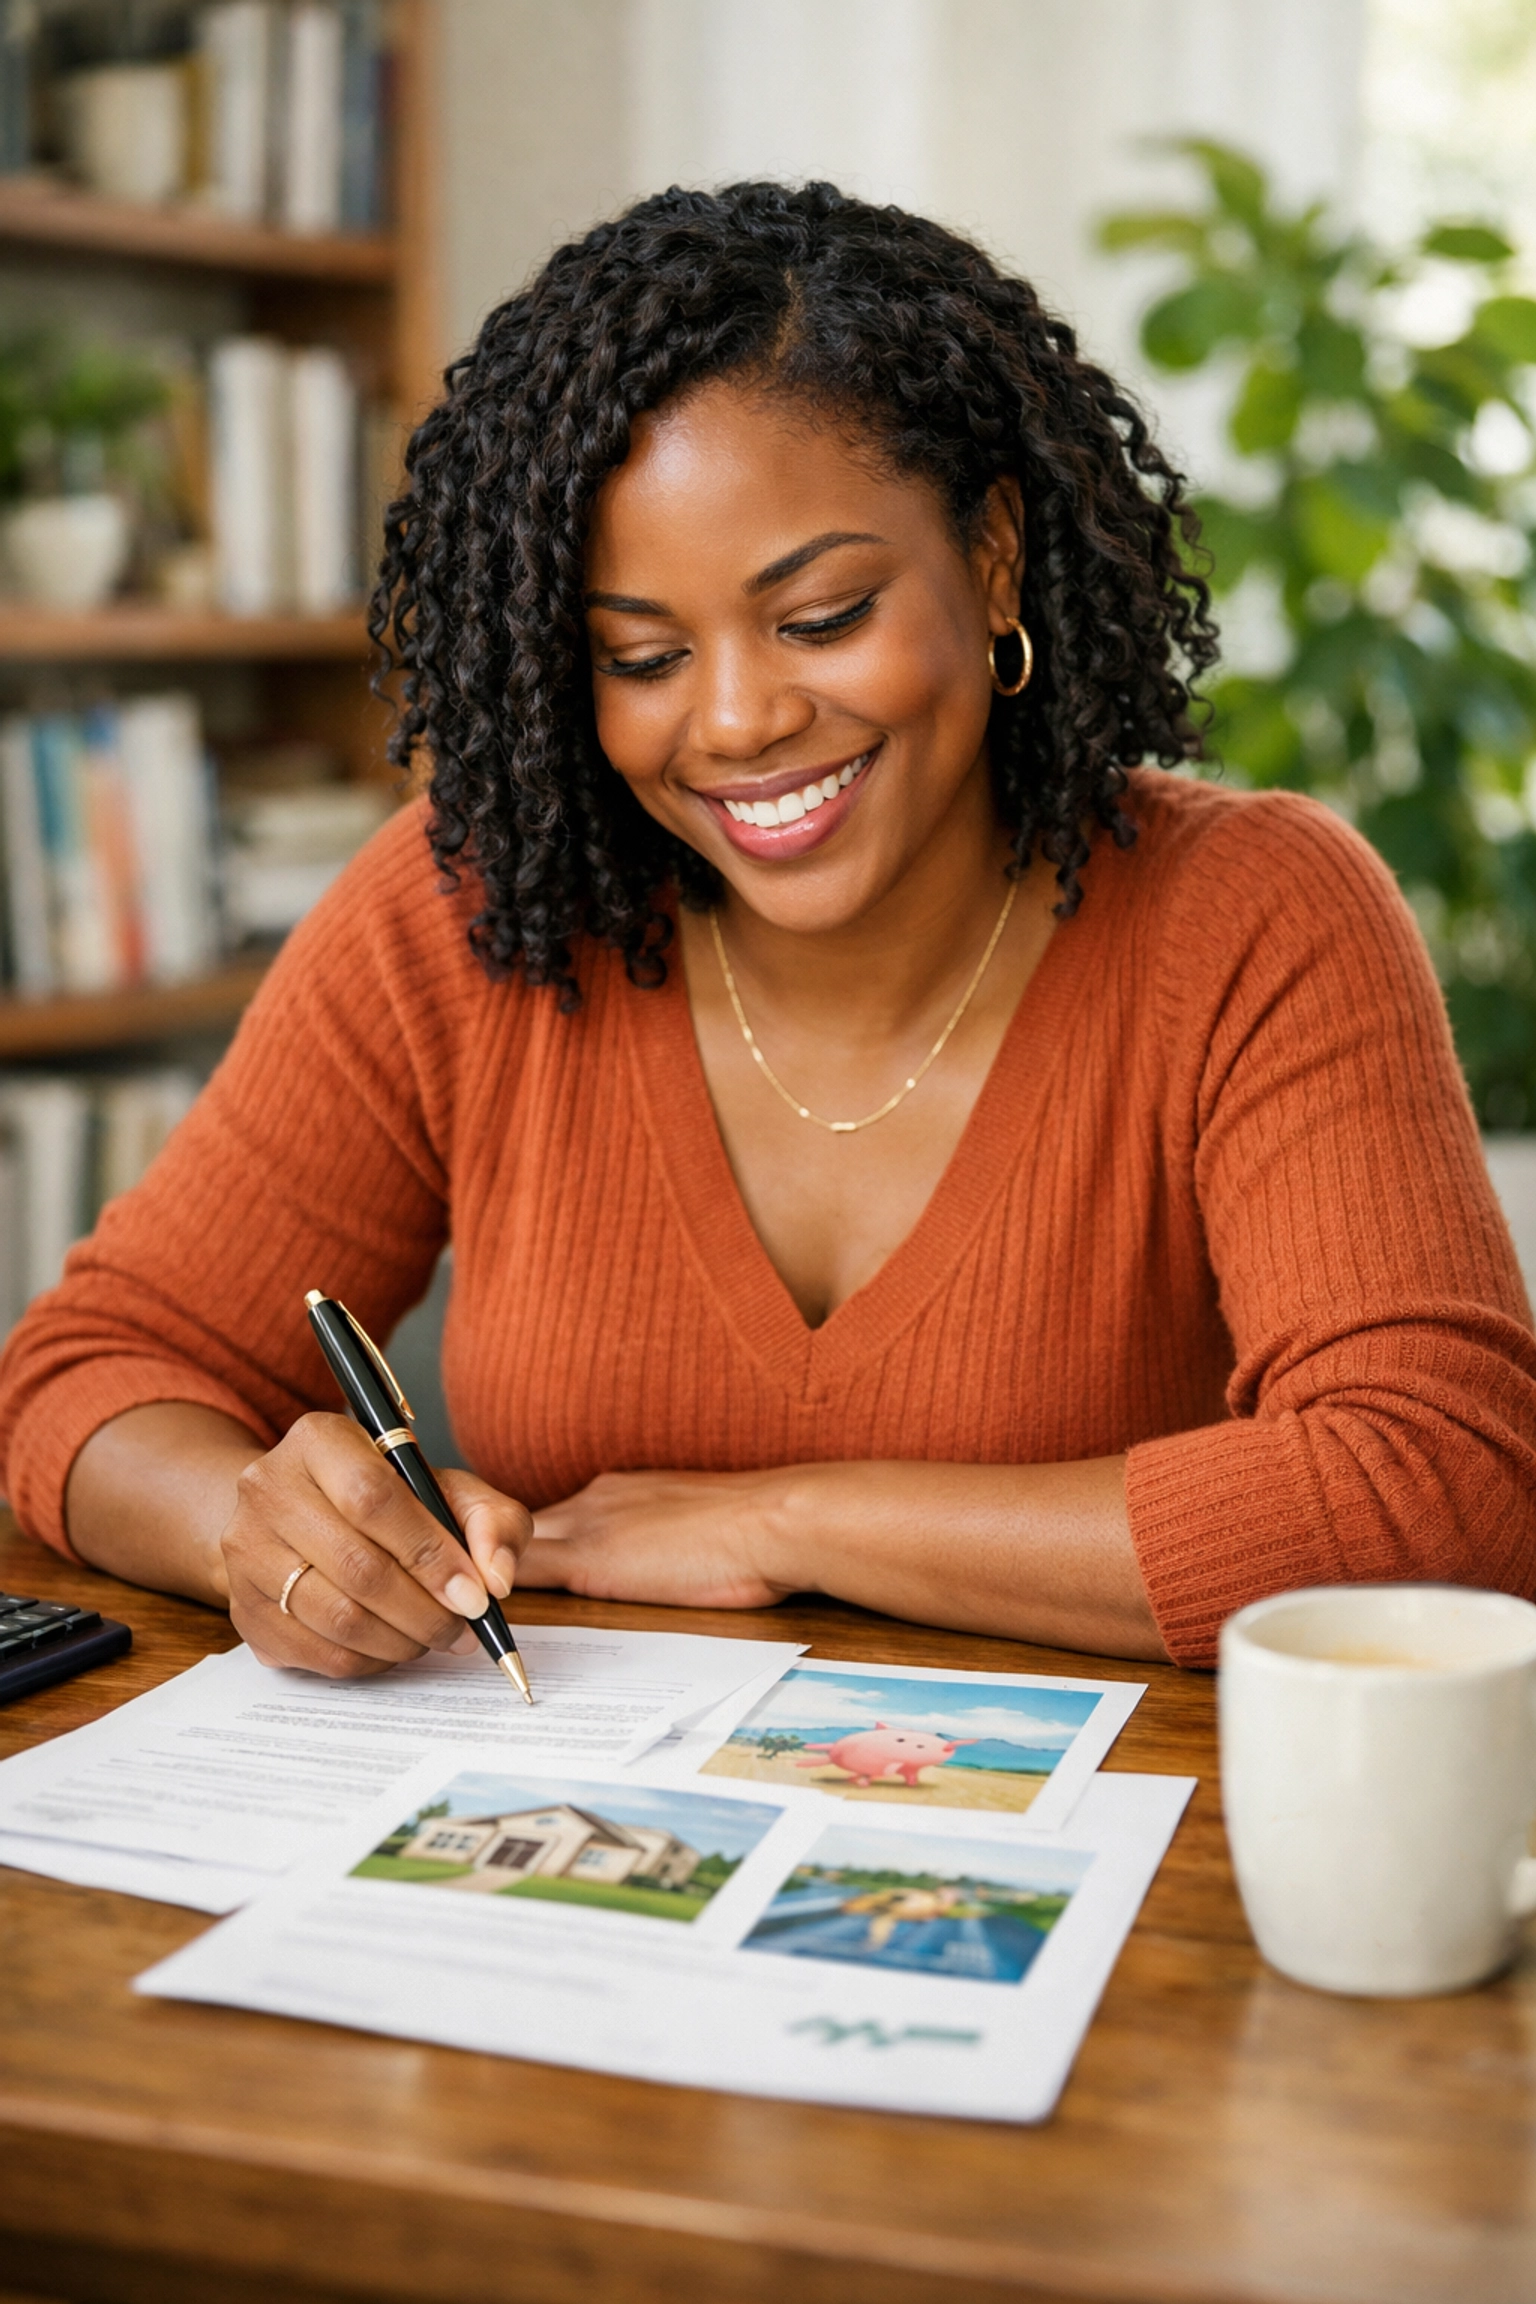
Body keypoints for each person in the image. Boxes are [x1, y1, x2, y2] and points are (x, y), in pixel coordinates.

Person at [2, 183, 1531, 1677]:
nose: (738, 721)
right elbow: (86, 1378)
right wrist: (255, 1531)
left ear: (992, 556)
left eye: (821, 619)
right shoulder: (468, 909)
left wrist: (794, 1522)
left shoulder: (1254, 917)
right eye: (645, 655)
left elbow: (1443, 1497)